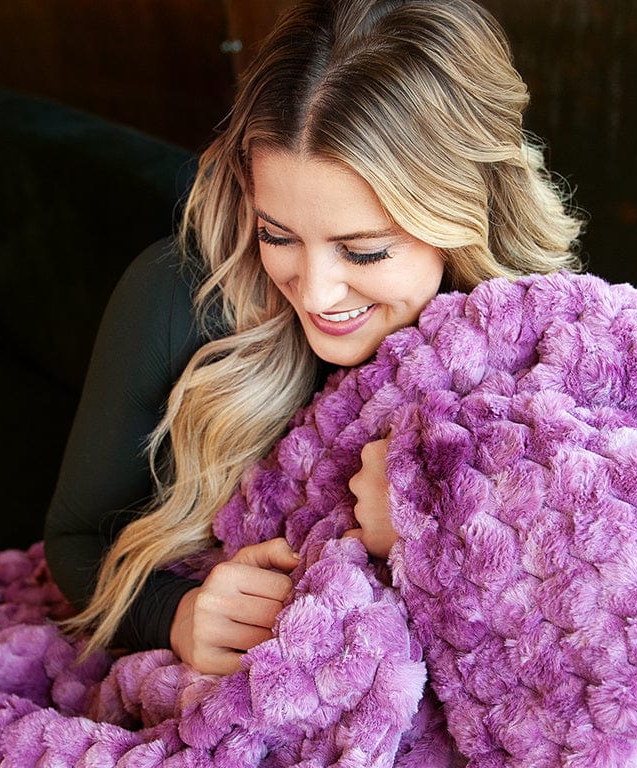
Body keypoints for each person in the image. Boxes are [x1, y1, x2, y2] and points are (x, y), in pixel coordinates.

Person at [44, 0, 582, 675]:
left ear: (464, 216)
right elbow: (73, 537)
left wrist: (431, 530)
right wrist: (173, 613)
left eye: (363, 252)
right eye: (279, 235)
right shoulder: (179, 299)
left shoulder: (547, 339)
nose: (318, 293)